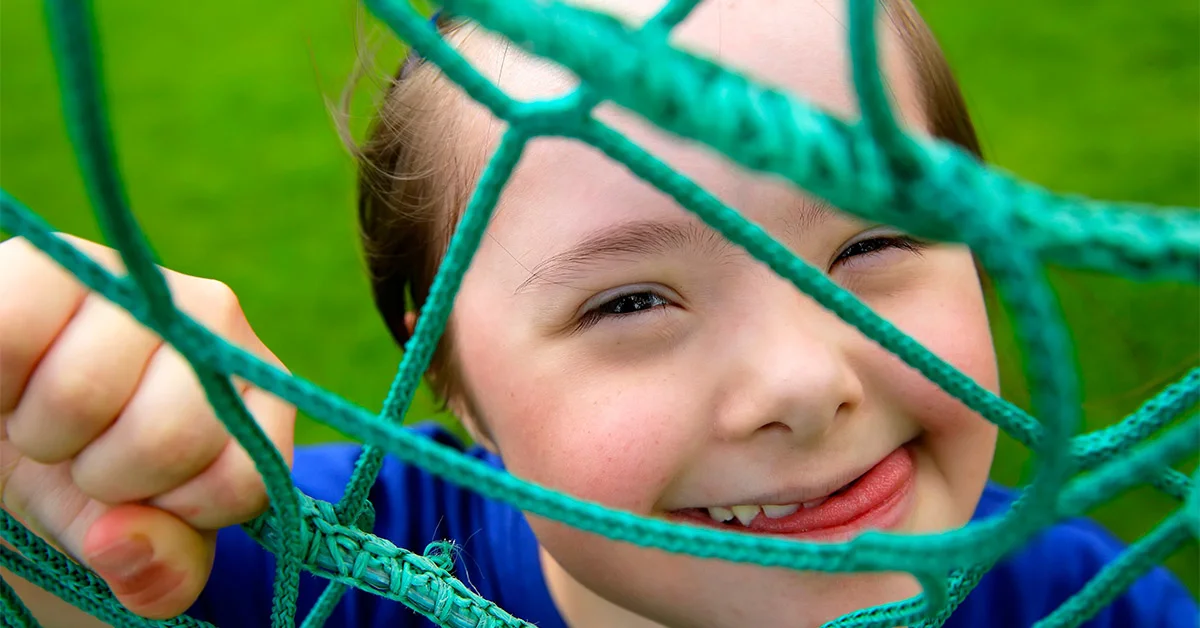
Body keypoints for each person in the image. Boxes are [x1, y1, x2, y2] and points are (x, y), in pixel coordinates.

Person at [1, 1, 1196, 626]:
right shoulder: (312, 565)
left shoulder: (1088, 597)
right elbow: (80, 582)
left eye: (873, 242)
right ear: (453, 383)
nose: (800, 381)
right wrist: (59, 452)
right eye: (632, 299)